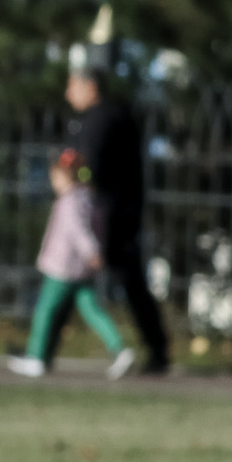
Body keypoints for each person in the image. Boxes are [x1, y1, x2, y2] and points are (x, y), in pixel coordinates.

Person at [64, 59, 168, 371]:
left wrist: (70, 173)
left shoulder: (99, 120)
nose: (68, 93)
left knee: (71, 277)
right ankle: (155, 347)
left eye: (72, 86)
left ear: (90, 86)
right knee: (124, 281)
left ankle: (143, 348)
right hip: (121, 210)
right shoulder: (117, 115)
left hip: (108, 215)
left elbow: (90, 168)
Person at [6, 144, 137, 380]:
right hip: (82, 270)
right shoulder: (89, 200)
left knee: (45, 310)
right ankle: (119, 349)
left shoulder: (69, 203)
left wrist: (92, 251)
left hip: (62, 268)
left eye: (54, 177)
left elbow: (78, 232)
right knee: (93, 310)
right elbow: (97, 228)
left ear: (65, 176)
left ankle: (36, 357)